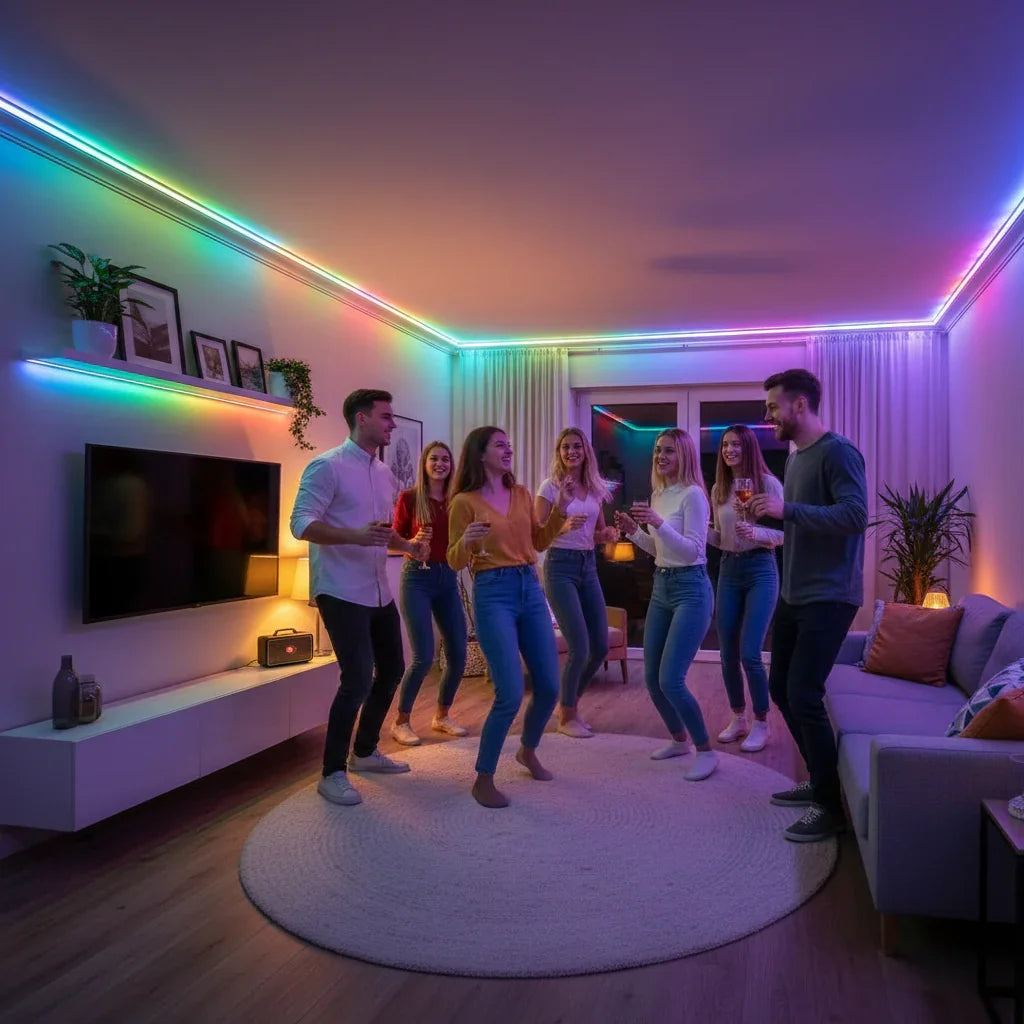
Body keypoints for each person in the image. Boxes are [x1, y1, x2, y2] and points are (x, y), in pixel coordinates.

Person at [290, 388, 429, 807]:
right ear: (362, 418)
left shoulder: (385, 475)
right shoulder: (326, 467)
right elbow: (300, 524)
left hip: (377, 590)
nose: (392, 424)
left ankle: (364, 752)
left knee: (392, 670)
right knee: (356, 679)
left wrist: (409, 547)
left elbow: (382, 535)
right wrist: (352, 535)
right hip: (340, 588)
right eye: (386, 417)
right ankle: (331, 773)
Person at [747, 369, 867, 843]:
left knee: (803, 694)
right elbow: (798, 524)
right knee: (780, 687)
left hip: (830, 595)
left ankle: (830, 806)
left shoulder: (838, 452)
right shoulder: (795, 459)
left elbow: (856, 515)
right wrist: (769, 527)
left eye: (774, 406)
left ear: (800, 405)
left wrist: (787, 512)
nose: (768, 415)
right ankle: (822, 782)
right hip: (794, 595)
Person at [447, 426, 573, 808]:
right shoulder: (463, 502)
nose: (508, 450)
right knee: (510, 692)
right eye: (500, 445)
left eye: (509, 445)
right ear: (480, 453)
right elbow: (453, 560)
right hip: (493, 591)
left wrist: (562, 509)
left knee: (550, 686)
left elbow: (537, 542)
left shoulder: (520, 494)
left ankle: (527, 750)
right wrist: (465, 542)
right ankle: (483, 777)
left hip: (529, 587)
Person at [615, 428, 718, 782]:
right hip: (662, 586)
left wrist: (658, 523)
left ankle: (705, 749)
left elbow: (692, 551)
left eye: (669, 451)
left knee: (671, 679)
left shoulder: (694, 496)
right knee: (652, 679)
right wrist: (633, 531)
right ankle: (679, 740)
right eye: (658, 450)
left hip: (691, 589)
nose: (661, 456)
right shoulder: (659, 494)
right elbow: (659, 550)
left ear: (684, 455)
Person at [536, 428, 618, 738]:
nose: (571, 451)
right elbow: (537, 535)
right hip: (559, 566)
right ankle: (566, 716)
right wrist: (562, 522)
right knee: (580, 647)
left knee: (599, 647)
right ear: (559, 452)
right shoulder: (550, 487)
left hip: (588, 566)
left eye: (577, 446)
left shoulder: (596, 489)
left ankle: (569, 704)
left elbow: (597, 533)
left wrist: (606, 536)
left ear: (586, 452)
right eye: (565, 447)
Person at [707, 425, 783, 753]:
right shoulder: (718, 489)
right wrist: (697, 532)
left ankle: (762, 722)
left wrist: (757, 534)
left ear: (749, 447)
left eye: (736, 444)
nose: (729, 450)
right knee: (727, 652)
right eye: (725, 444)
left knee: (750, 652)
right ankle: (738, 716)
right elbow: (720, 536)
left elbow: (783, 535)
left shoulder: (768, 484)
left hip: (760, 569)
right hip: (728, 568)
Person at [389, 441, 469, 746]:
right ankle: (401, 721)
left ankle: (442, 716)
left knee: (459, 653)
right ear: (425, 463)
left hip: (447, 576)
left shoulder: (456, 500)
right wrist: (411, 542)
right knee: (423, 657)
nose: (440, 463)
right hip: (417, 579)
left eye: (445, 459)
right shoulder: (409, 498)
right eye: (434, 459)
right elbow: (391, 541)